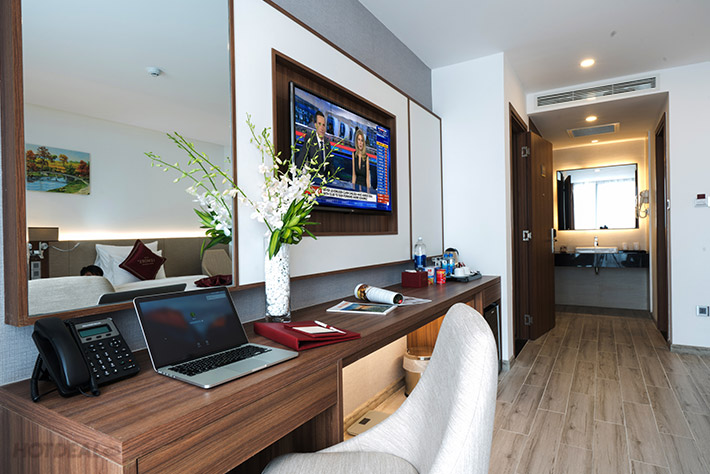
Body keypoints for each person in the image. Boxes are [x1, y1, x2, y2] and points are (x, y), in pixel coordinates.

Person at [294, 111, 335, 177]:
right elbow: (302, 158)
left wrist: (334, 179)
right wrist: (295, 175)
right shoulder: (310, 139)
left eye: (323, 125)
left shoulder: (327, 142)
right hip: (313, 178)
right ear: (315, 125)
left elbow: (330, 165)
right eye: (319, 124)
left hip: (324, 180)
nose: (322, 128)